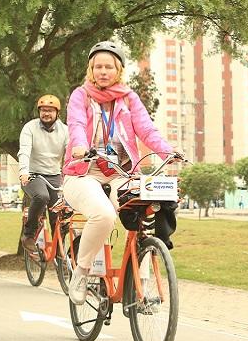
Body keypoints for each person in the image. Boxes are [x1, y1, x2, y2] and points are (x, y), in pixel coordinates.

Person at [61, 41, 178, 304]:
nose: (103, 71)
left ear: (119, 70)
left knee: (145, 214)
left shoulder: (128, 98)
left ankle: (143, 285)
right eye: (98, 66)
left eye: (109, 67)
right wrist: (79, 145)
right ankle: (81, 273)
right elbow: (77, 124)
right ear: (91, 69)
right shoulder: (81, 95)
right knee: (103, 215)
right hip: (84, 172)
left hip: (120, 173)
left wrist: (167, 152)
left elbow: (147, 130)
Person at [18, 95, 69, 251]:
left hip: (54, 175)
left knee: (60, 213)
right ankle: (29, 234)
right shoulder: (30, 128)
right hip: (33, 174)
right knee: (42, 197)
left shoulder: (66, 130)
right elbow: (24, 151)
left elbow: (69, 155)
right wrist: (24, 172)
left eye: (50, 111)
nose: (46, 114)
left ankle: (60, 254)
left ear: (57, 113)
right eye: (43, 110)